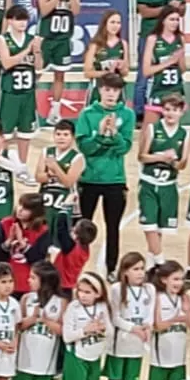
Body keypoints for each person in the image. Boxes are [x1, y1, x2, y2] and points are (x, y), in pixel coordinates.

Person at [76, 73, 135, 274]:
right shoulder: (87, 114)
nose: (111, 94)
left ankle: (111, 269)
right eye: (107, 89)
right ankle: (78, 268)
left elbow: (124, 148)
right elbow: (85, 148)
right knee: (82, 228)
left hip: (115, 180)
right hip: (88, 179)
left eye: (115, 90)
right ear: (100, 90)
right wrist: (101, 135)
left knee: (113, 228)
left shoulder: (127, 115)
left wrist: (114, 135)